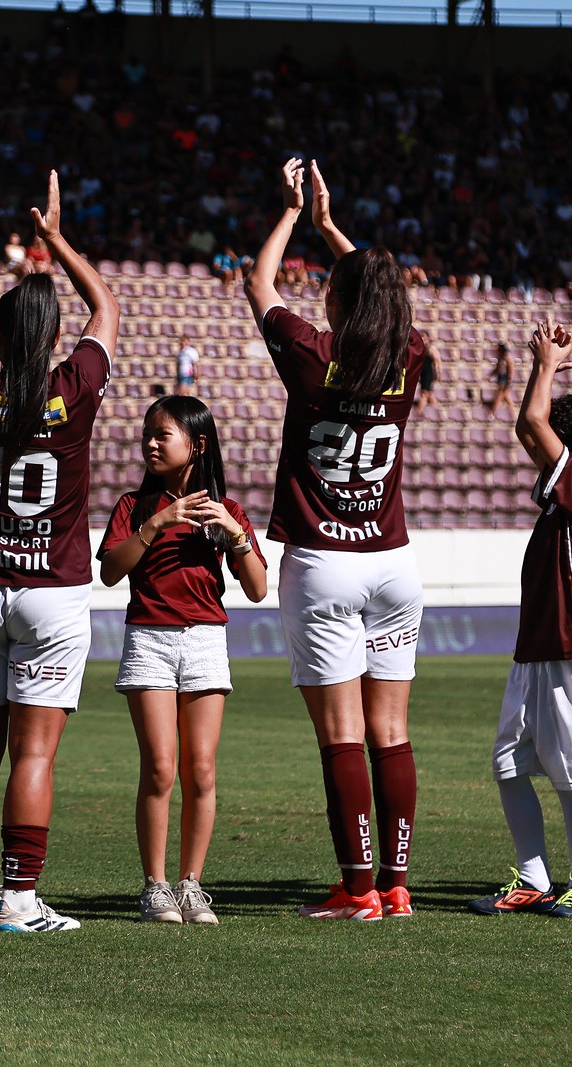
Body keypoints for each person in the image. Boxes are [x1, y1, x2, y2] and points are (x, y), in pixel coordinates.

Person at [0, 161, 119, 933]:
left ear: (1, 337)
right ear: (55, 336)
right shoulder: (76, 387)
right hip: (53, 592)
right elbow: (107, 305)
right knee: (34, 756)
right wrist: (55, 238)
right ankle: (22, 898)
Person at [246, 158, 425, 921]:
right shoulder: (410, 356)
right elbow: (385, 304)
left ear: (339, 298)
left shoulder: (312, 352)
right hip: (394, 561)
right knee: (392, 730)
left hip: (324, 562)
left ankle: (356, 890)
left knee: (342, 733)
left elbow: (259, 283)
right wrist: (332, 227)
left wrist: (295, 215)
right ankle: (396, 883)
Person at [97, 395, 268, 924]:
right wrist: (158, 523)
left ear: (197, 445)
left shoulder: (227, 509)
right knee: (160, 768)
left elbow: (258, 589)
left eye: (162, 435)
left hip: (205, 641)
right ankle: (155, 887)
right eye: (147, 434)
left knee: (202, 770)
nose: (149, 443)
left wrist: (235, 534)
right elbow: (109, 572)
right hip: (149, 639)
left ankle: (191, 885)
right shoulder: (133, 506)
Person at [470, 321, 572, 919]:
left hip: (570, 648)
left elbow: (532, 421)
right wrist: (542, 372)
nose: (536, 448)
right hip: (535, 648)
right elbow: (529, 427)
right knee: (509, 764)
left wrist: (547, 367)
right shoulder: (568, 491)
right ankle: (533, 877)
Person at [486, 342, 514, 418]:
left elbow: (511, 370)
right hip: (501, 379)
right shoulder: (500, 358)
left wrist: (509, 380)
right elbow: (497, 369)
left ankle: (492, 412)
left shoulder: (508, 358)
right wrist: (489, 375)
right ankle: (513, 413)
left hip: (505, 380)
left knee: (499, 396)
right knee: (507, 398)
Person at [414, 334, 438, 414]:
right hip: (423, 374)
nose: (423, 341)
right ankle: (436, 411)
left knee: (424, 394)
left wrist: (438, 373)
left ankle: (419, 412)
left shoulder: (431, 349)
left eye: (424, 340)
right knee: (430, 394)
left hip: (428, 375)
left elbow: (437, 362)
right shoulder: (419, 349)